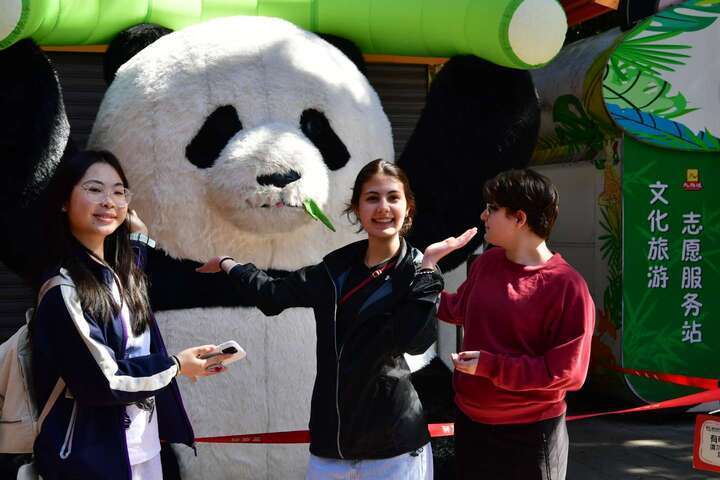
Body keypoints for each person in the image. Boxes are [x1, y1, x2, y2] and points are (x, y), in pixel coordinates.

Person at [197, 159, 475, 479]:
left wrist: (428, 268)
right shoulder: (335, 269)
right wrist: (229, 263)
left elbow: (414, 341)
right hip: (332, 446)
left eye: (393, 197)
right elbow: (273, 296)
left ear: (408, 207)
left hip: (396, 447)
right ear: (356, 208)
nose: (383, 208)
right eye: (372, 198)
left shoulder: (418, 270)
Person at [30, 150, 230, 480]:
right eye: (94, 189)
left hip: (143, 451)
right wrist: (176, 366)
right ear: (64, 201)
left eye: (118, 191)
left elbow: (131, 272)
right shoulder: (63, 289)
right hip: (90, 461)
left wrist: (138, 239)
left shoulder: (119, 276)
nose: (108, 201)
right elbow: (104, 381)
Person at [430, 168, 595, 480]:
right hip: (471, 426)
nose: (483, 216)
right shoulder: (487, 262)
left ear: (519, 218)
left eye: (492, 209)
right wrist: (424, 276)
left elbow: (567, 373)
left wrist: (491, 366)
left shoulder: (567, 286)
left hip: (531, 435)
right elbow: (457, 307)